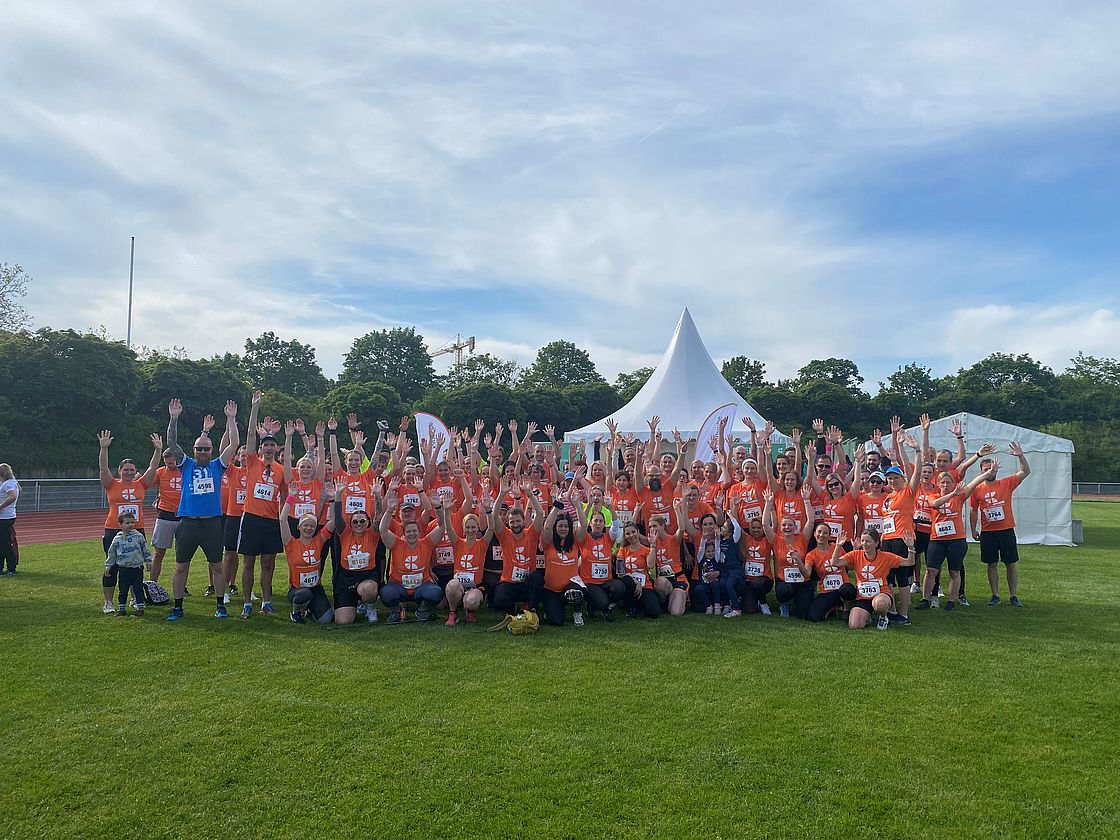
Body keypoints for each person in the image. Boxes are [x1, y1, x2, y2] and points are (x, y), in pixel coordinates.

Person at [163, 400, 240, 621]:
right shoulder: (185, 464)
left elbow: (234, 443)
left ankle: (220, 605)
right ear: (193, 450)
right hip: (188, 523)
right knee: (180, 567)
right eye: (199, 448)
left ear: (212, 450)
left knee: (216, 565)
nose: (203, 451)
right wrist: (174, 418)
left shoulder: (218, 465)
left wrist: (232, 419)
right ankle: (178, 607)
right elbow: (171, 442)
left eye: (207, 448)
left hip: (211, 523)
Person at [98, 429, 161, 613]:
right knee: (112, 566)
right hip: (113, 530)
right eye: (125, 470)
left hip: (136, 530)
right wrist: (104, 448)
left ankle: (135, 599)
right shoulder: (111, 484)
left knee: (135, 566)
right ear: (119, 471)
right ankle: (109, 602)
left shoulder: (140, 483)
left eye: (132, 470)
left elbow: (152, 469)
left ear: (135, 472)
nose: (128, 472)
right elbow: (103, 468)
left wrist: (158, 450)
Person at [237, 392, 284, 619]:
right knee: (248, 562)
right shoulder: (252, 462)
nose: (268, 448)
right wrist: (254, 407)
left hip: (271, 520)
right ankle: (247, 603)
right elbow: (249, 436)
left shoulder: (281, 469)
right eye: (265, 445)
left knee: (268, 562)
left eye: (271, 445)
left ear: (276, 448)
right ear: (261, 448)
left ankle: (266, 602)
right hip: (252, 518)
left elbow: (287, 495)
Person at [918, 468, 988, 611]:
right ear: (938, 484)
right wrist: (952, 494)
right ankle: (925, 599)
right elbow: (934, 505)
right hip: (937, 539)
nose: (945, 485)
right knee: (931, 570)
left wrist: (988, 473)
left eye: (948, 482)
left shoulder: (959, 495)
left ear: (953, 483)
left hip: (956, 540)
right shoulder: (933, 495)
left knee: (954, 571)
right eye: (942, 483)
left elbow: (974, 483)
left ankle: (951, 600)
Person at [970, 443, 1031, 607]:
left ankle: (1013, 595)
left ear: (996, 470)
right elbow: (973, 510)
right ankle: (995, 594)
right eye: (986, 470)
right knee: (991, 563)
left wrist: (1020, 456)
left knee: (1011, 563)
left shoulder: (1006, 483)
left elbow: (1025, 472)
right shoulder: (976, 489)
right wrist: (973, 529)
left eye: (992, 469)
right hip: (988, 532)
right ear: (981, 472)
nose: (989, 472)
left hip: (1006, 530)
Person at [378, 484, 448, 624]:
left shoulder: (426, 542)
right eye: (408, 531)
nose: (412, 534)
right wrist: (390, 509)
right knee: (386, 593)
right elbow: (383, 530)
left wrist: (438, 508)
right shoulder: (397, 543)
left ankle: (422, 610)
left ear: (418, 532)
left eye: (414, 531)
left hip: (421, 586)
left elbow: (442, 526)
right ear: (403, 533)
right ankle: (396, 611)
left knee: (436, 593)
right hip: (399, 585)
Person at [830, 528, 916, 630]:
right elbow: (835, 563)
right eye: (862, 541)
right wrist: (838, 546)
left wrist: (910, 547)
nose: (864, 544)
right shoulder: (856, 555)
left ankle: (883, 617)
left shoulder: (885, 557)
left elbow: (909, 562)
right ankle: (868, 617)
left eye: (868, 541)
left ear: (876, 543)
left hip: (881, 594)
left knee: (880, 604)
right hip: (862, 597)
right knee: (855, 625)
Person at [279, 486, 338, 625]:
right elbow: (282, 520)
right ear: (299, 527)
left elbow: (334, 521)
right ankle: (296, 611)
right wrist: (291, 497)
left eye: (312, 525)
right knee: (304, 594)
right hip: (297, 589)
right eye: (305, 525)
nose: (308, 528)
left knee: (325, 620)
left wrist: (332, 499)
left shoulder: (319, 540)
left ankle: (311, 608)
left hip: (316, 588)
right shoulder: (291, 543)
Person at [491, 478, 546, 616]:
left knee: (537, 577)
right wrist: (501, 494)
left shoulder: (531, 534)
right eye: (512, 522)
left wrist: (529, 494)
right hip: (509, 582)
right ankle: (514, 614)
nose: (515, 524)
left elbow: (539, 514)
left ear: (523, 521)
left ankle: (532, 611)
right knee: (499, 598)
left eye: (518, 521)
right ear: (508, 523)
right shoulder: (505, 535)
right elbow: (494, 516)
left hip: (527, 583)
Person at [761, 486, 815, 619]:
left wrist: (806, 501)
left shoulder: (802, 538)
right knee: (784, 590)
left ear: (795, 527)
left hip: (802, 580)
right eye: (784, 525)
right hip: (785, 580)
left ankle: (799, 602)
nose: (787, 527)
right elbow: (765, 525)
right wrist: (768, 503)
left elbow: (811, 521)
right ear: (780, 527)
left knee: (802, 615)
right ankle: (783, 604)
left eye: (790, 525)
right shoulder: (776, 540)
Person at [444, 510, 495, 626]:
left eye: (473, 527)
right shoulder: (458, 543)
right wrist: (447, 510)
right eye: (467, 527)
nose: (470, 530)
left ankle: (470, 611)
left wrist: (488, 510)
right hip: (458, 586)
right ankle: (453, 613)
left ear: (477, 528)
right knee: (451, 585)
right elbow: (449, 528)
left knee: (471, 602)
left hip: (475, 586)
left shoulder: (482, 544)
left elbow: (491, 528)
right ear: (463, 528)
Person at [805, 522, 856, 622]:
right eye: (819, 532)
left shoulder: (837, 547)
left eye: (825, 533)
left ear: (829, 535)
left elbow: (850, 567)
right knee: (814, 617)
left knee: (848, 590)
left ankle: (847, 609)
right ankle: (831, 609)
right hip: (827, 591)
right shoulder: (811, 555)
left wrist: (854, 551)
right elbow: (807, 573)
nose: (821, 535)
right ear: (814, 534)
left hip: (843, 588)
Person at [104, 511, 152, 617]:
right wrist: (108, 565)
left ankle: (140, 608)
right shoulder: (117, 539)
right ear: (120, 525)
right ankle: (121, 609)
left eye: (132, 522)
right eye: (127, 523)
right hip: (124, 568)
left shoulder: (138, 536)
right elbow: (112, 554)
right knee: (123, 589)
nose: (130, 525)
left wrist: (148, 560)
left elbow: (145, 549)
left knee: (138, 588)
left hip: (137, 568)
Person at [149, 445, 184, 584]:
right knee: (158, 553)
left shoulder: (185, 470)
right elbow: (146, 483)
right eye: (166, 463)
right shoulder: (161, 472)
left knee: (182, 555)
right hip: (165, 515)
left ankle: (182, 585)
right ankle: (152, 584)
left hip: (183, 516)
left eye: (171, 462)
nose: (169, 465)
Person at [616, 521, 660, 618]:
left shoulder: (646, 550)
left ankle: (640, 606)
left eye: (633, 532)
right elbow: (620, 573)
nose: (631, 535)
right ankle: (630, 608)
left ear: (638, 532)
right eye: (628, 533)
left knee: (654, 613)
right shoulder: (622, 551)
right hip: (630, 584)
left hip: (645, 585)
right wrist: (636, 582)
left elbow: (650, 565)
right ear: (625, 536)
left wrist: (653, 546)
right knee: (627, 580)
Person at [0, 463, 20, 575]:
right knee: (3, 543)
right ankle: (2, 568)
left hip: (4, 517)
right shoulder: (11, 482)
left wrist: (1, 507)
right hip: (7, 516)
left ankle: (11, 569)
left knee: (5, 544)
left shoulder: (7, 484)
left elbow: (12, 497)